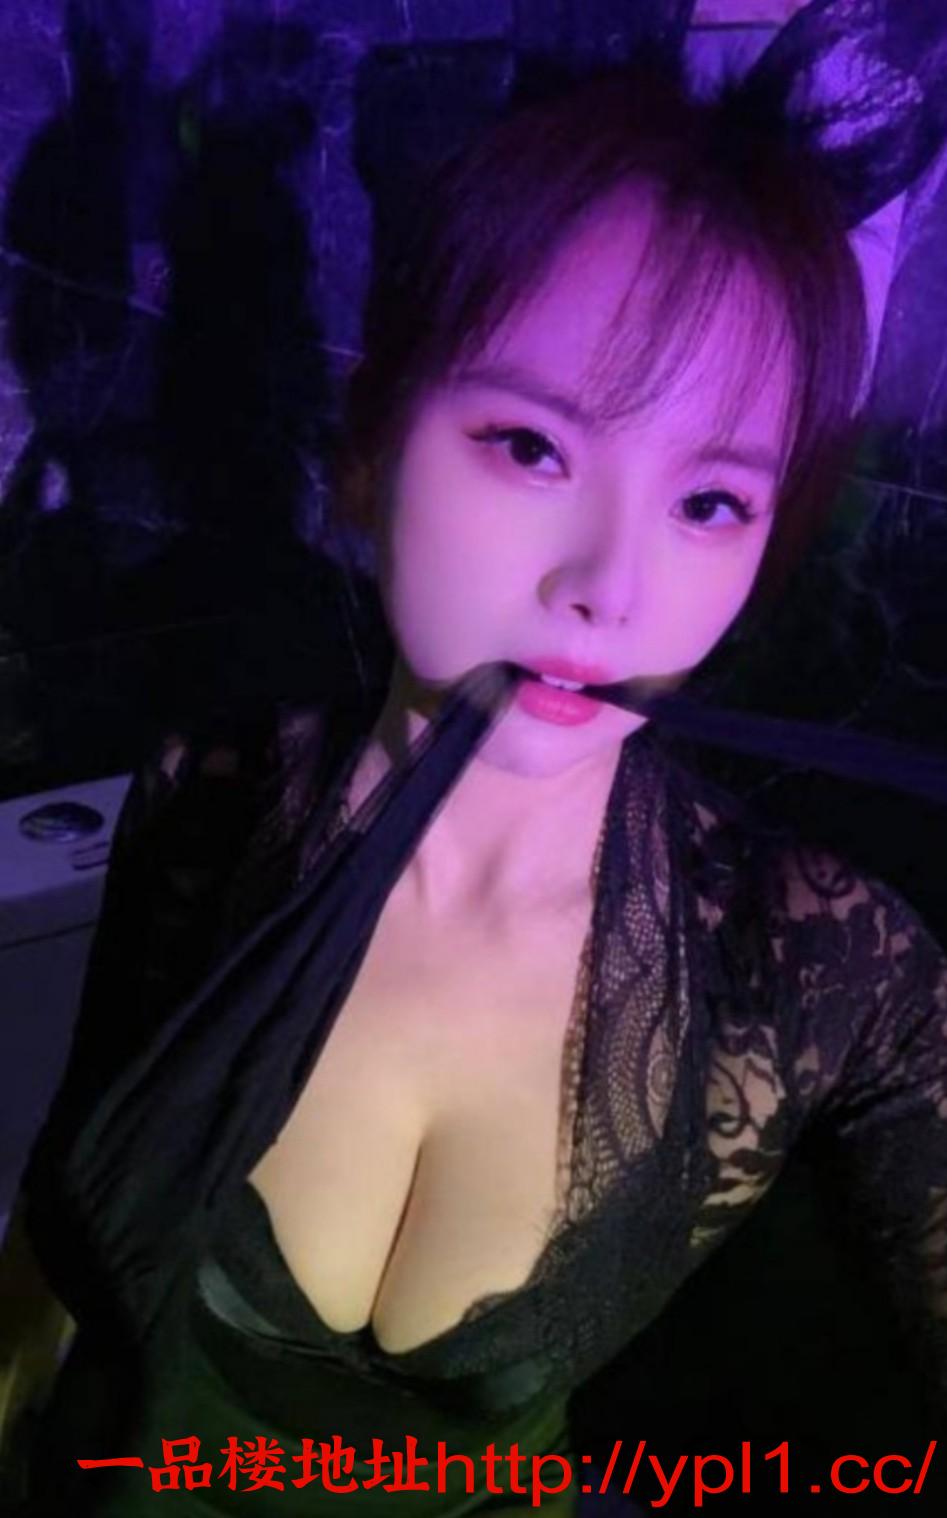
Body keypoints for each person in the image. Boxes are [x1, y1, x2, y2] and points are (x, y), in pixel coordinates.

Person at [9, 54, 947, 1517]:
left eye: (711, 501)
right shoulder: (215, 789)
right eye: (530, 446)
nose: (610, 588)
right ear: (368, 453)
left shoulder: (822, 966)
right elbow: (54, 1251)